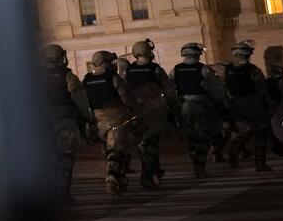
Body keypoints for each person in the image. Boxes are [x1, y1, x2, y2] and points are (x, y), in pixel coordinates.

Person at [42, 45, 96, 203]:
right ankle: (63, 192)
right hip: (64, 121)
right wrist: (87, 118)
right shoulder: (68, 76)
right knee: (65, 157)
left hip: (41, 122)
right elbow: (80, 100)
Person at [124, 40, 180, 189]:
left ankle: (156, 170)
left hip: (134, 110)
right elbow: (169, 91)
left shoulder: (127, 70)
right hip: (153, 110)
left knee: (144, 141)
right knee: (152, 143)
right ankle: (147, 176)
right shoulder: (155, 69)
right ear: (149, 52)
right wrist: (175, 110)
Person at [81, 51, 137, 196]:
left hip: (97, 120)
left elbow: (82, 101)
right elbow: (127, 99)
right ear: (105, 63)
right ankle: (112, 179)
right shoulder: (114, 78)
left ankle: (117, 178)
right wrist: (136, 113)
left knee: (108, 151)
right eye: (111, 62)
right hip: (116, 117)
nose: (114, 65)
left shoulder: (86, 80)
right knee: (117, 151)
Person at [170, 43, 228, 178]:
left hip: (183, 107)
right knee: (202, 137)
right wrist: (223, 106)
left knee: (190, 137)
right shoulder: (203, 69)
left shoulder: (176, 69)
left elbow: (169, 87)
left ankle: (196, 162)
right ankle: (200, 168)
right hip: (200, 107)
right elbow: (216, 90)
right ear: (197, 54)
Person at [220, 41, 273, 171]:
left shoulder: (227, 70)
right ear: (248, 55)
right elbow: (261, 89)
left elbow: (223, 88)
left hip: (234, 105)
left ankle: (236, 148)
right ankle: (260, 164)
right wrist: (268, 105)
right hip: (252, 104)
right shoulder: (253, 70)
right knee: (260, 132)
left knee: (243, 130)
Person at [263, 46, 283, 157]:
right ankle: (282, 148)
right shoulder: (281, 81)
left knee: (273, 128)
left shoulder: (267, 80)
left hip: (269, 107)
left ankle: (276, 147)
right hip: (279, 107)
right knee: (282, 127)